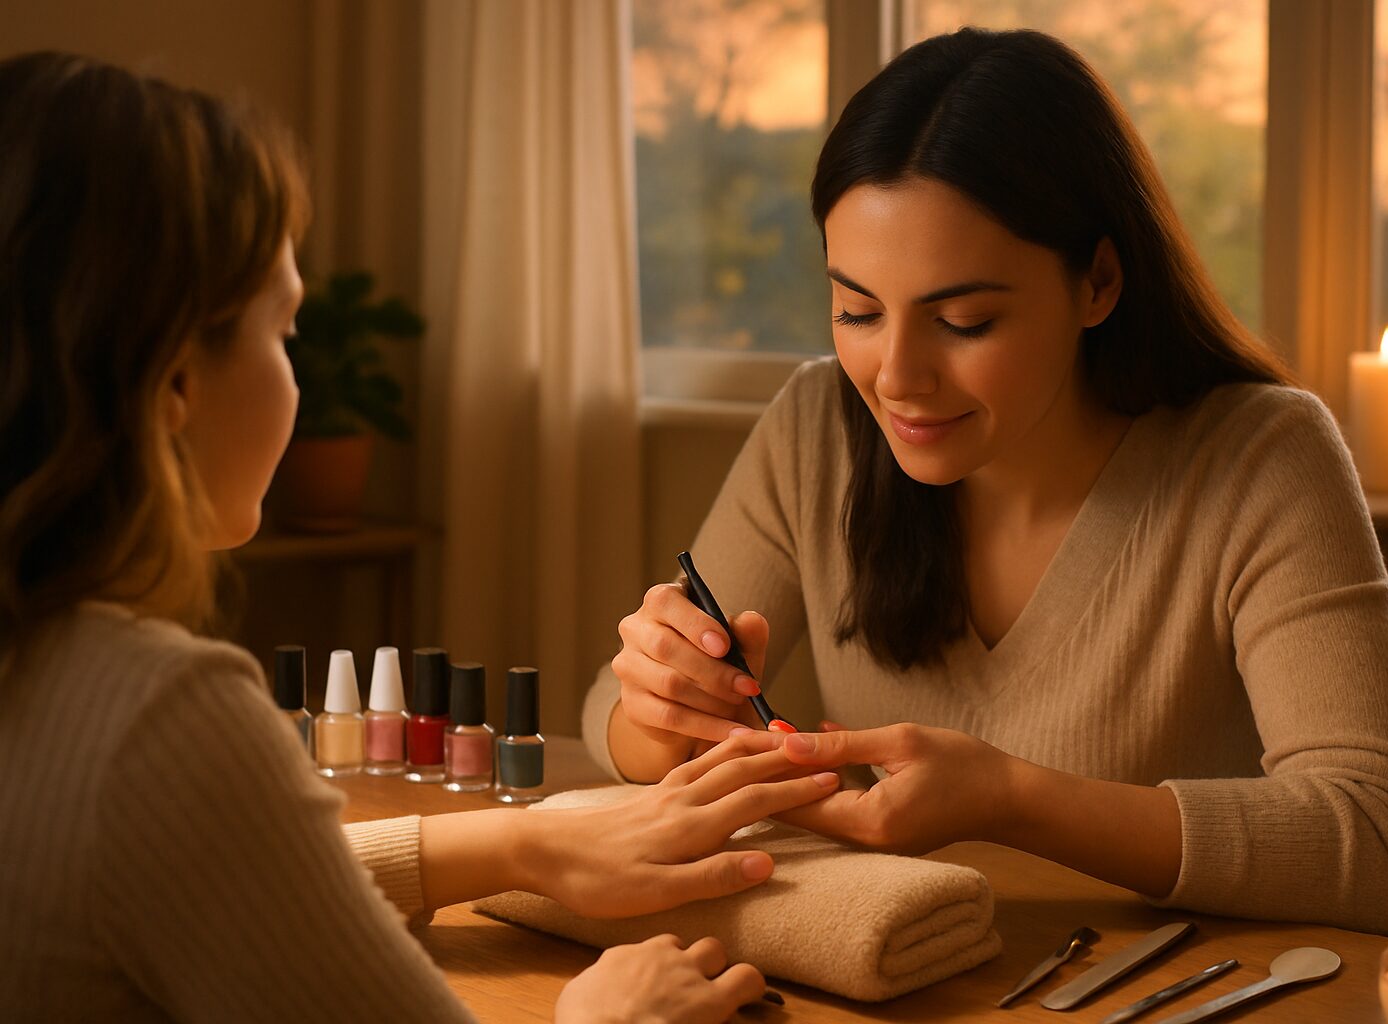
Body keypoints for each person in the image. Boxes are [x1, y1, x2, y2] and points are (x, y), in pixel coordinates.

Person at [0, 52, 839, 1023]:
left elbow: (204, 871)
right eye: (286, 331)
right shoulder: (159, 717)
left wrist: (519, 845)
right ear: (176, 381)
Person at [588, 28, 1388, 935]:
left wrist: (1011, 800)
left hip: (1161, 987)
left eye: (963, 320)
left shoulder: (1259, 456)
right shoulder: (815, 428)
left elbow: (1373, 838)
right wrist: (664, 711)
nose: (896, 378)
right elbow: (609, 717)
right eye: (857, 311)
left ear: (1098, 282)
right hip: (901, 973)